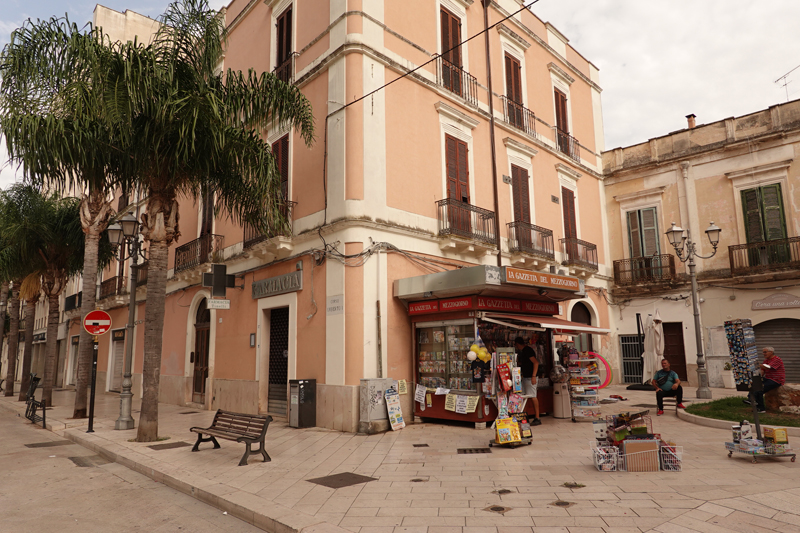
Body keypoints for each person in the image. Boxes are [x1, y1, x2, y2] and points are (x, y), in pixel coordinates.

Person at [744, 347, 785, 413]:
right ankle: (750, 399)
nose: (764, 354)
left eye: (765, 352)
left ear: (771, 352)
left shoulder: (777, 359)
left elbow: (767, 367)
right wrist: (758, 378)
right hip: (768, 378)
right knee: (754, 384)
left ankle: (761, 408)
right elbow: (762, 371)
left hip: (776, 380)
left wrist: (756, 364)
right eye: (763, 352)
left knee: (760, 390)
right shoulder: (766, 361)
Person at [515, 336, 541, 426]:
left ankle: (537, 417)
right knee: (524, 397)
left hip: (530, 377)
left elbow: (536, 362)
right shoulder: (523, 352)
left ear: (517, 344)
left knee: (533, 396)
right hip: (525, 377)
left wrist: (533, 376)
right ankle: (523, 416)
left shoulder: (527, 350)